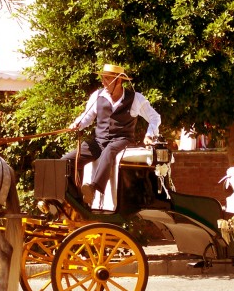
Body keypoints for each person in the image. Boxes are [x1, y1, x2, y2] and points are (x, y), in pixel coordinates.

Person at [63, 64, 161, 204]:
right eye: (103, 79)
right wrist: (77, 124)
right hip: (99, 141)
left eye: (107, 79)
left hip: (122, 140)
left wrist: (150, 134)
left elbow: (155, 117)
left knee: (109, 151)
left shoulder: (135, 98)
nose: (104, 82)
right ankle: (74, 199)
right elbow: (87, 117)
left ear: (119, 81)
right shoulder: (97, 96)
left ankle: (93, 188)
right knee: (66, 161)